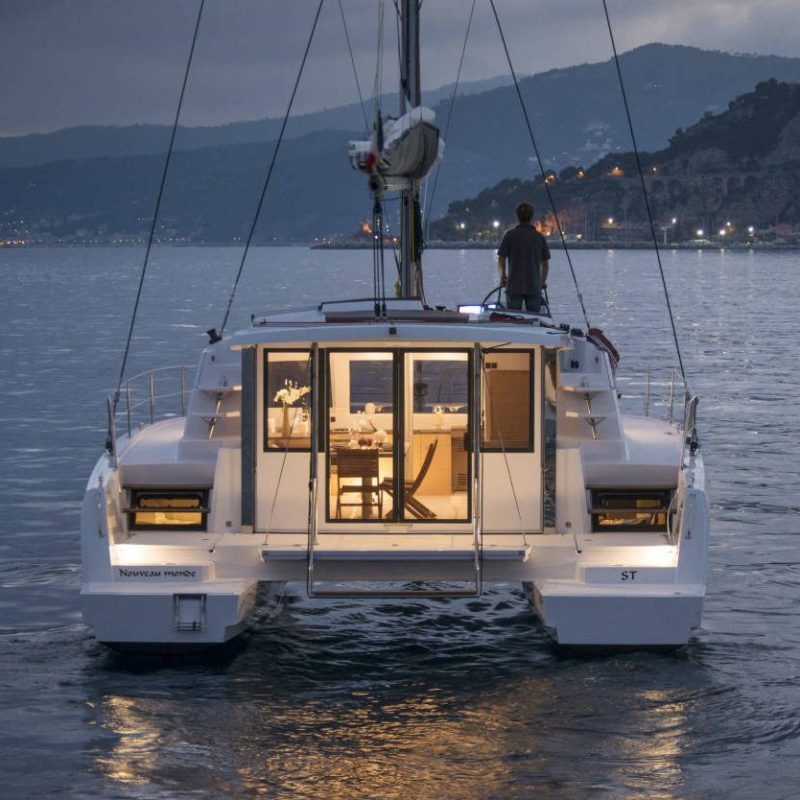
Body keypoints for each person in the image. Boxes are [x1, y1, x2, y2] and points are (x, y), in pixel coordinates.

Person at [497, 202, 550, 312]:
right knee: (535, 317)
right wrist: (542, 281)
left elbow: (501, 259)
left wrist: (503, 277)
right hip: (534, 286)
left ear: (517, 216)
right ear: (531, 216)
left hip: (514, 286)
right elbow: (545, 263)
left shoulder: (510, 236)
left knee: (512, 317)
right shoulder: (539, 237)